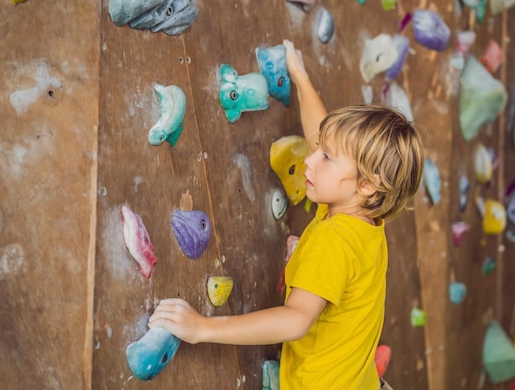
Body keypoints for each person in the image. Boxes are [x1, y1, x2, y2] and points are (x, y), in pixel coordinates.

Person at [148, 40, 424, 389]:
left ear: (367, 184)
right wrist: (300, 76)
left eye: (326, 157)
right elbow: (319, 133)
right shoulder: (361, 214)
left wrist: (202, 327)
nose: (311, 158)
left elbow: (295, 320)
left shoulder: (333, 239)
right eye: (319, 149)